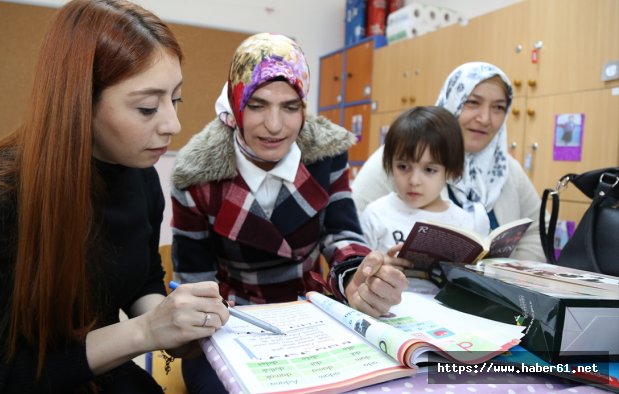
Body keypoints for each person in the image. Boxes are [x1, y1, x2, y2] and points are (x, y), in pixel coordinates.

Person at [0, 1, 229, 392]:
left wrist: (170, 323)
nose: (172, 124)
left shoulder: (137, 174)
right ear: (79, 103)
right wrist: (146, 332)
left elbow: (143, 275)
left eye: (175, 99)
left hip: (95, 369)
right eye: (146, 107)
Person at [170, 33, 408, 392]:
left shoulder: (326, 156)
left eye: (291, 107)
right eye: (258, 105)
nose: (275, 125)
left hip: (311, 313)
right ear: (236, 104)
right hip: (230, 323)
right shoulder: (196, 178)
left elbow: (341, 234)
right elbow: (195, 281)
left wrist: (359, 275)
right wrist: (210, 319)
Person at [352, 62, 546, 263]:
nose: (485, 118)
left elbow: (540, 229)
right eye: (472, 102)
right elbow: (352, 230)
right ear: (452, 100)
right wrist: (375, 266)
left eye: (498, 107)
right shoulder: (400, 157)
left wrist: (512, 276)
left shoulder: (506, 169)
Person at [359, 106, 478, 294]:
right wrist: (376, 266)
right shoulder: (376, 213)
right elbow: (355, 278)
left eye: (429, 170)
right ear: (390, 164)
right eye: (403, 166)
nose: (414, 181)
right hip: (386, 310)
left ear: (451, 171)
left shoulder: (462, 221)